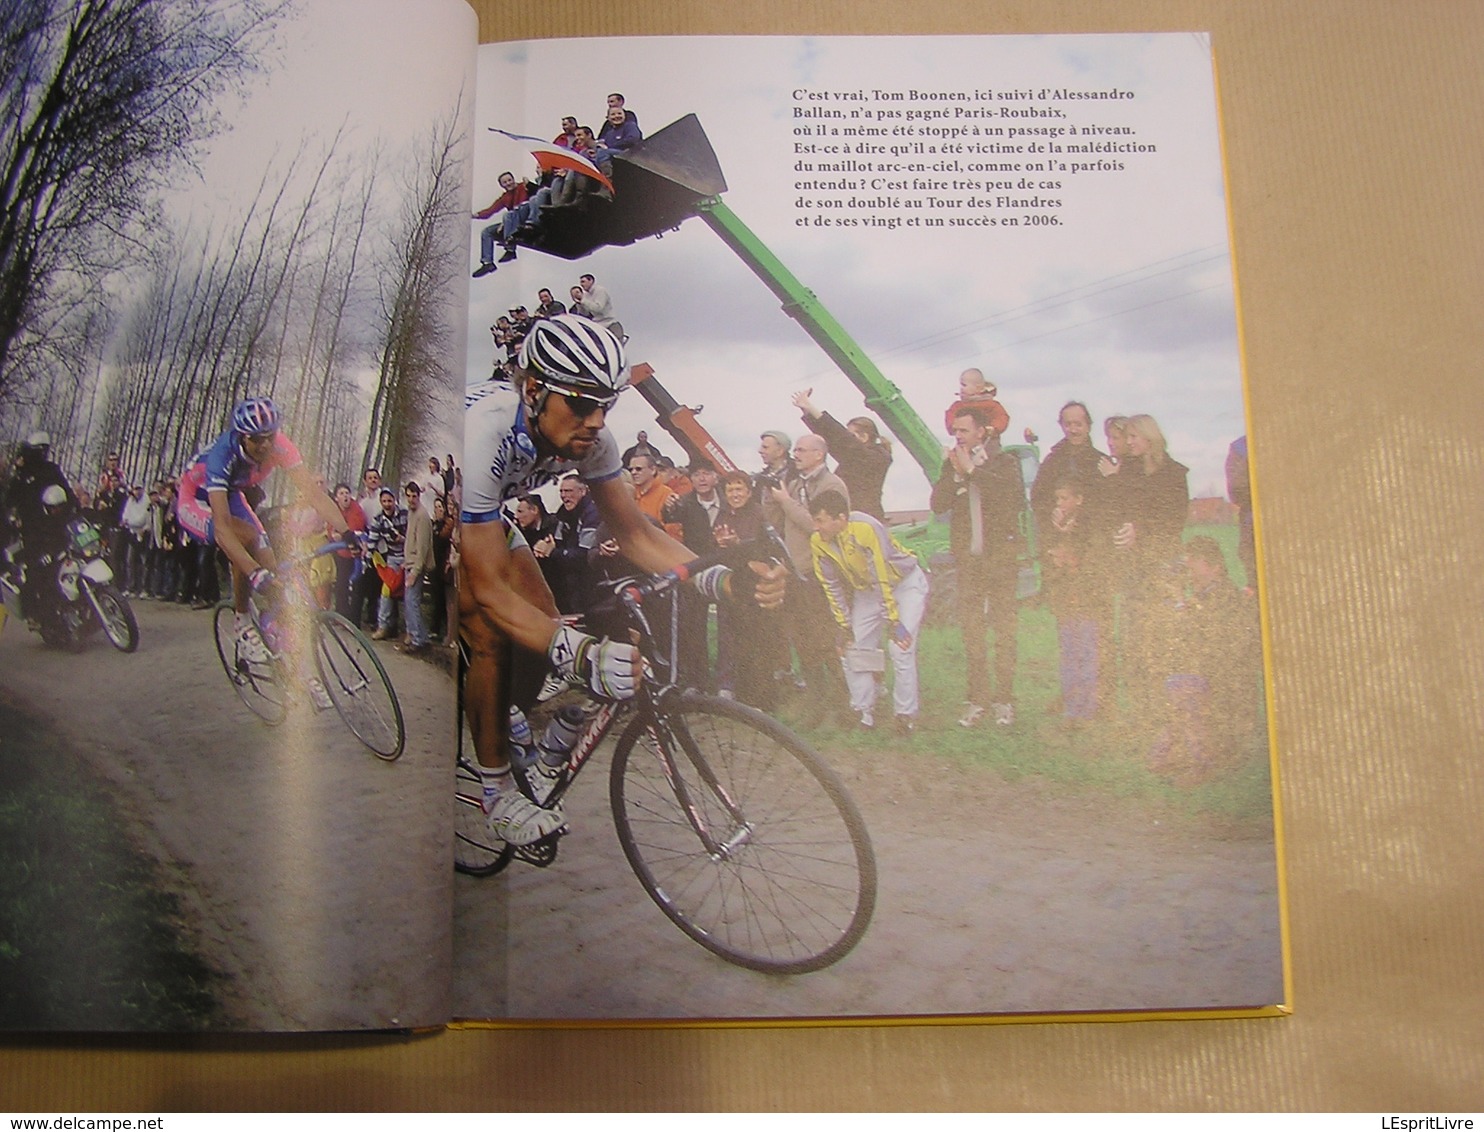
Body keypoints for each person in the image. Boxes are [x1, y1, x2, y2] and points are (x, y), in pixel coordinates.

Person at [459, 314, 786, 846]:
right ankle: (497, 793)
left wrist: (722, 580)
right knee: (487, 630)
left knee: (548, 624)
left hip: (493, 512)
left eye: (607, 405)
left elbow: (636, 535)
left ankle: (521, 723)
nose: (596, 420)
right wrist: (584, 655)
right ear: (536, 389)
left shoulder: (595, 438)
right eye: (583, 403)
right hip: (456, 505)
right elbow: (490, 588)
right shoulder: (486, 433)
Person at [175, 398, 350, 708]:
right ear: (243, 436)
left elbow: (313, 494)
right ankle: (242, 624)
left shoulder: (281, 446)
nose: (266, 444)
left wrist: (348, 532)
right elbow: (225, 529)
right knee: (247, 540)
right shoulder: (221, 456)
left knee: (277, 574)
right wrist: (254, 574)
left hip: (232, 495)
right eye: (258, 439)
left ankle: (291, 662)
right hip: (197, 499)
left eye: (271, 435)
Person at [931, 406, 1025, 728]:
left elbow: (1011, 498)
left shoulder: (1005, 462)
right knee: (972, 632)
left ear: (982, 432)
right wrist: (955, 473)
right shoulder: (952, 464)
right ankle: (976, 699)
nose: (957, 436)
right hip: (969, 562)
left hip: (1000, 561)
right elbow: (938, 505)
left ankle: (1005, 700)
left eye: (964, 430)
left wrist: (973, 472)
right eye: (955, 431)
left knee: (1003, 631)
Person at [809, 490, 929, 734]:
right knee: (853, 647)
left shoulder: (866, 527)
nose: (816, 527)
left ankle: (905, 714)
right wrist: (844, 625)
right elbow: (830, 585)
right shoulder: (818, 542)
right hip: (867, 591)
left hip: (904, 584)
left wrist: (894, 622)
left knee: (900, 647)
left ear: (840, 518)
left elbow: (881, 575)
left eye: (820, 520)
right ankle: (864, 710)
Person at [762, 432, 851, 708]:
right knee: (803, 643)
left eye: (801, 450)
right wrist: (771, 493)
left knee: (825, 642)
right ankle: (818, 702)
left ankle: (844, 703)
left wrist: (786, 501)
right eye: (796, 450)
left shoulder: (831, 484)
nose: (796, 455)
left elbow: (816, 525)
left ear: (818, 455)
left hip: (821, 576)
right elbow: (772, 519)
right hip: (796, 573)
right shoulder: (793, 481)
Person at [791, 388, 891, 521]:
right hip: (850, 517)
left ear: (864, 436)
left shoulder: (875, 458)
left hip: (864, 519)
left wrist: (810, 407)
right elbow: (831, 438)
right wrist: (807, 412)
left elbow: (839, 436)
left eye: (851, 434)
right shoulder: (853, 457)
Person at [546, 474, 599, 615]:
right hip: (570, 581)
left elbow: (584, 554)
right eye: (561, 491)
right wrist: (544, 546)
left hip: (591, 581)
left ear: (583, 491)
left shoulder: (592, 512)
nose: (564, 496)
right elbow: (556, 543)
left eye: (569, 491)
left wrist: (552, 552)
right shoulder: (563, 512)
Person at [366, 487, 408, 641]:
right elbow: (372, 540)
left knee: (407, 594)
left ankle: (408, 630)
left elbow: (413, 535)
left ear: (394, 500)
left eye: (389, 500)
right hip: (391, 558)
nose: (387, 504)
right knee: (387, 592)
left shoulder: (405, 514)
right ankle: (383, 626)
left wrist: (402, 540)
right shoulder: (378, 519)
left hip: (406, 557)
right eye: (384, 501)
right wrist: (368, 559)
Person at [471, 171, 530, 277]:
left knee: (509, 215)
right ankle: (487, 263)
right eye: (505, 182)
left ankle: (510, 249)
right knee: (487, 232)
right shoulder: (505, 197)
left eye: (509, 180)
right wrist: (475, 215)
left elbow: (529, 199)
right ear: (502, 185)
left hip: (524, 218)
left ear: (513, 179)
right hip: (511, 222)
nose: (508, 183)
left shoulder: (523, 187)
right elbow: (491, 210)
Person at [400, 481, 435, 655]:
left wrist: (415, 571)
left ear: (419, 496)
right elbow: (410, 541)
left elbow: (423, 548)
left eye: (415, 496)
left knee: (412, 602)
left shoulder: (422, 516)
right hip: (410, 562)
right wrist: (406, 561)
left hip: (417, 566)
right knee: (410, 601)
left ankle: (417, 639)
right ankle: (422, 636)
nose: (412, 499)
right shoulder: (411, 513)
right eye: (409, 496)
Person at [330, 482, 368, 620]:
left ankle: (354, 618)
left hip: (355, 553)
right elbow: (330, 525)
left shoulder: (356, 509)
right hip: (340, 552)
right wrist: (333, 534)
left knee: (356, 585)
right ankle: (340, 613)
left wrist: (343, 533)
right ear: (336, 498)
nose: (345, 496)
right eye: (341, 493)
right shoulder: (334, 509)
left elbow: (356, 526)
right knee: (341, 583)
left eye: (347, 493)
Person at [943, 368, 1009, 437]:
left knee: (991, 446)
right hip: (965, 439)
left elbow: (1002, 417)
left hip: (987, 439)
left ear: (978, 388)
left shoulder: (991, 405)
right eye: (961, 385)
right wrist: (952, 425)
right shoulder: (958, 405)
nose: (961, 388)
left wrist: (994, 428)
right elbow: (950, 415)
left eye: (964, 385)